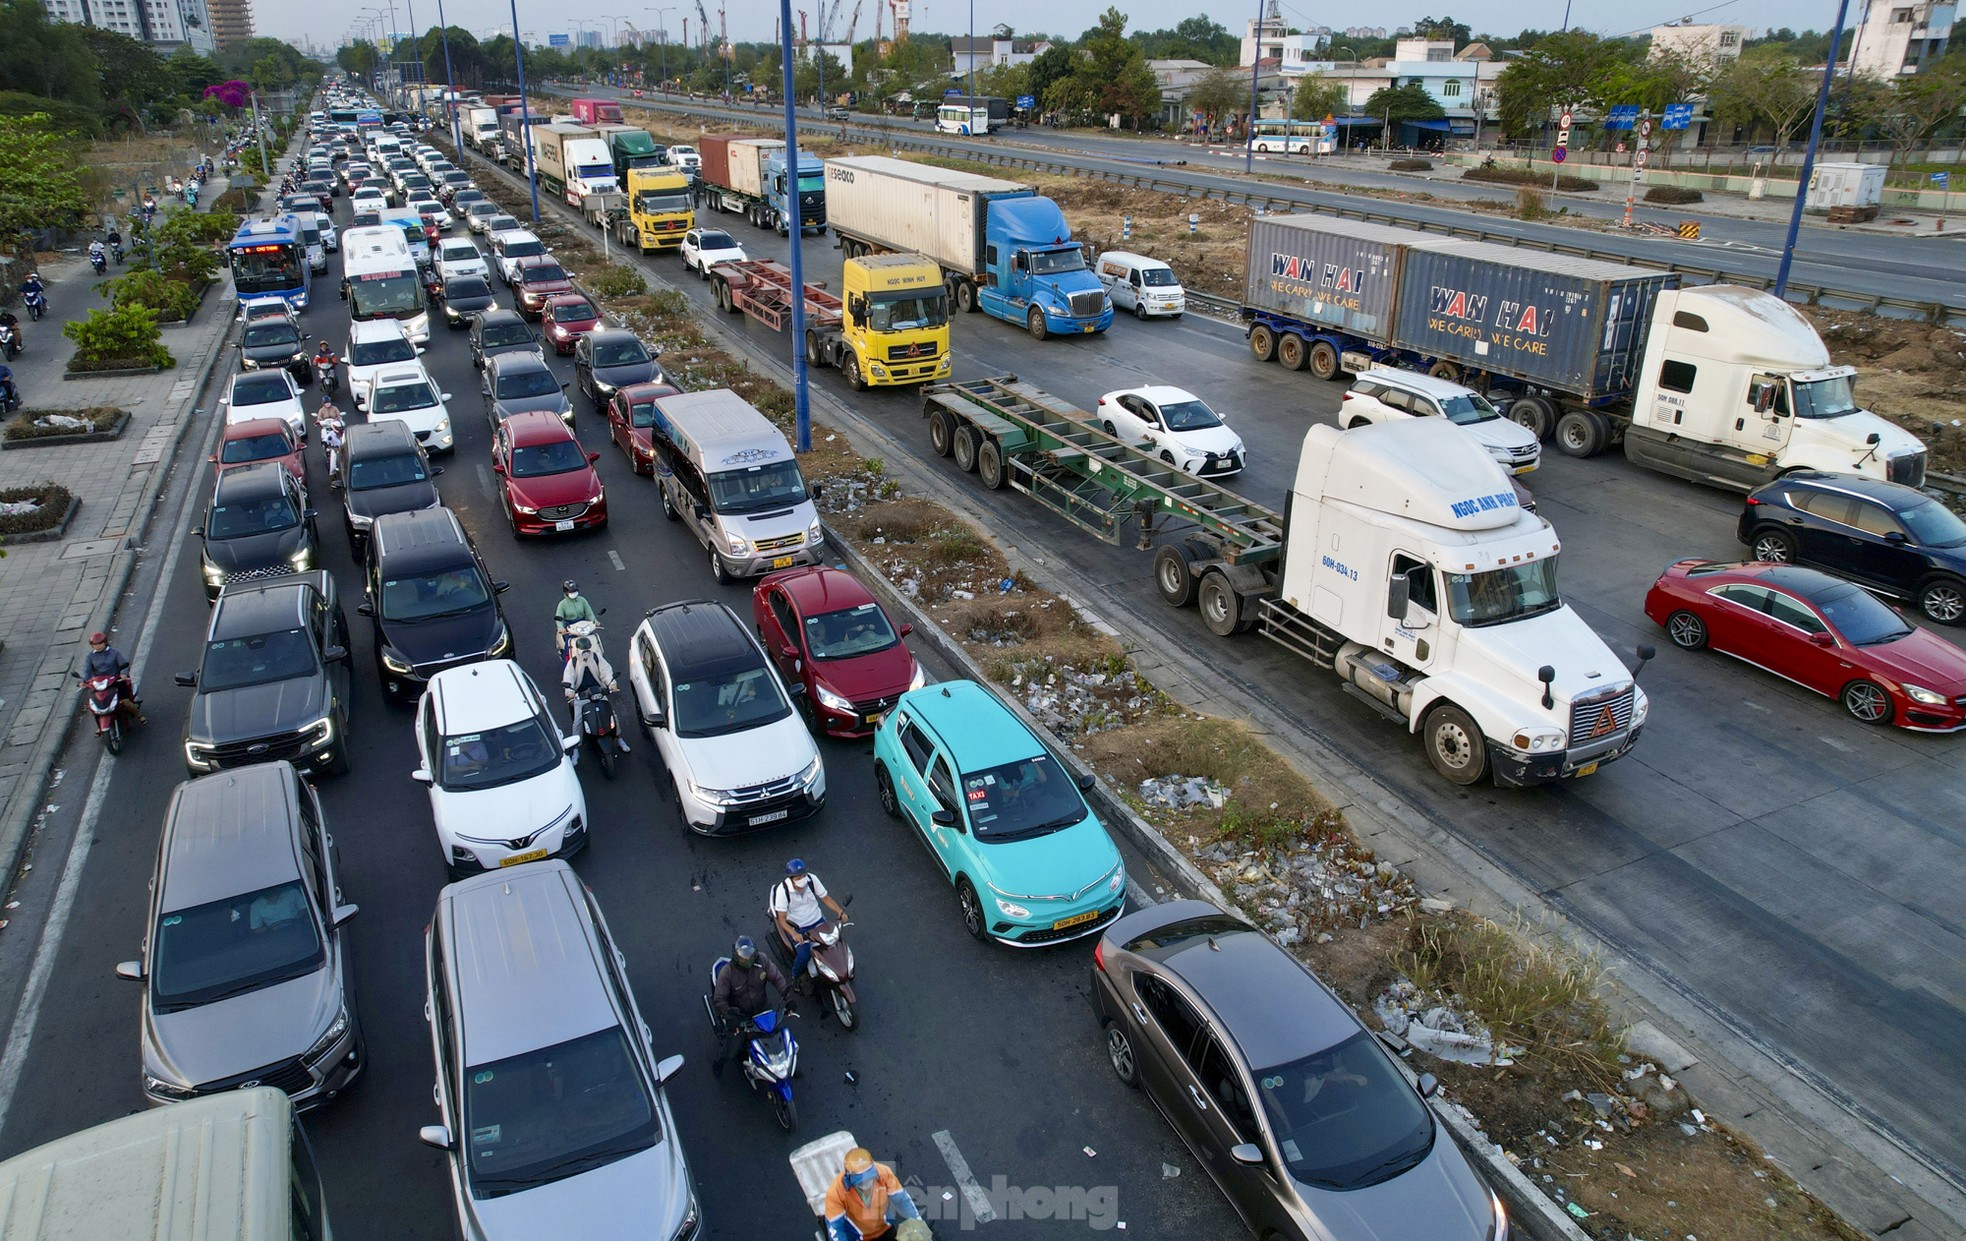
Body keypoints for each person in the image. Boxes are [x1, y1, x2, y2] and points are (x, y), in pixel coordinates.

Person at [710, 935, 789, 1078]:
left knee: (779, 1036)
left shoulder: (763, 960)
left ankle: (787, 1066)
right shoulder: (727, 973)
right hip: (740, 1017)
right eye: (742, 957)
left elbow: (777, 978)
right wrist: (730, 1015)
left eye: (750, 956)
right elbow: (719, 999)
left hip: (762, 1010)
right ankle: (718, 1063)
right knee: (732, 1050)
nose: (747, 960)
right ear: (735, 957)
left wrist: (787, 996)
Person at [770, 858, 846, 981]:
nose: (802, 879)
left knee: (834, 944)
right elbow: (782, 919)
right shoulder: (783, 891)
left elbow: (825, 898)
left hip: (817, 921)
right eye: (798, 877)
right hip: (798, 927)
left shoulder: (812, 880)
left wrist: (839, 912)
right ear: (791, 878)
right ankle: (795, 975)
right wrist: (793, 933)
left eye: (804, 875)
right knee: (804, 955)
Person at [823, 1148, 922, 1241]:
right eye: (861, 1182)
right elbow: (836, 1229)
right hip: (858, 1238)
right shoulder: (835, 1193)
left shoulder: (884, 1173)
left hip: (885, 1228)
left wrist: (918, 1226)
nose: (866, 1185)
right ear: (848, 1177)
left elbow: (902, 1200)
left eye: (869, 1179)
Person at [561, 635, 628, 752]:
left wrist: (612, 684)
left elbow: (606, 671)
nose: (586, 652)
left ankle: (620, 739)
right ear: (578, 650)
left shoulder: (597, 658)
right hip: (581, 695)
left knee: (612, 715)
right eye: (583, 650)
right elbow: (568, 678)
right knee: (577, 722)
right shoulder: (573, 662)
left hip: (598, 692)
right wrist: (569, 691)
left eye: (587, 649)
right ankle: (576, 749)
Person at [81, 631, 144, 724]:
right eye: (95, 644)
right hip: (100, 683)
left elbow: (123, 664)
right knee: (94, 704)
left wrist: (123, 674)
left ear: (105, 643)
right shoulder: (90, 657)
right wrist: (84, 681)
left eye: (100, 643)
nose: (98, 646)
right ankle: (99, 725)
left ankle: (139, 715)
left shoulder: (114, 653)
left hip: (116, 680)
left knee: (125, 701)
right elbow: (86, 670)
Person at [554, 580, 597, 659]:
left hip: (584, 625)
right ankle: (567, 666)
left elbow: (589, 613)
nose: (573, 593)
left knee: (595, 642)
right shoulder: (562, 604)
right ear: (566, 592)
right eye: (571, 592)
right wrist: (561, 628)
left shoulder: (582, 600)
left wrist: (595, 622)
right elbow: (558, 618)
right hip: (570, 629)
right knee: (568, 648)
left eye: (575, 591)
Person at [316, 401, 346, 487]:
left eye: (341, 428)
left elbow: (339, 415)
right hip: (335, 450)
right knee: (332, 468)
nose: (340, 429)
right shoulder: (331, 435)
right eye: (338, 428)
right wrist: (327, 445)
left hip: (344, 450)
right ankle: (331, 484)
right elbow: (325, 441)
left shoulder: (345, 433)